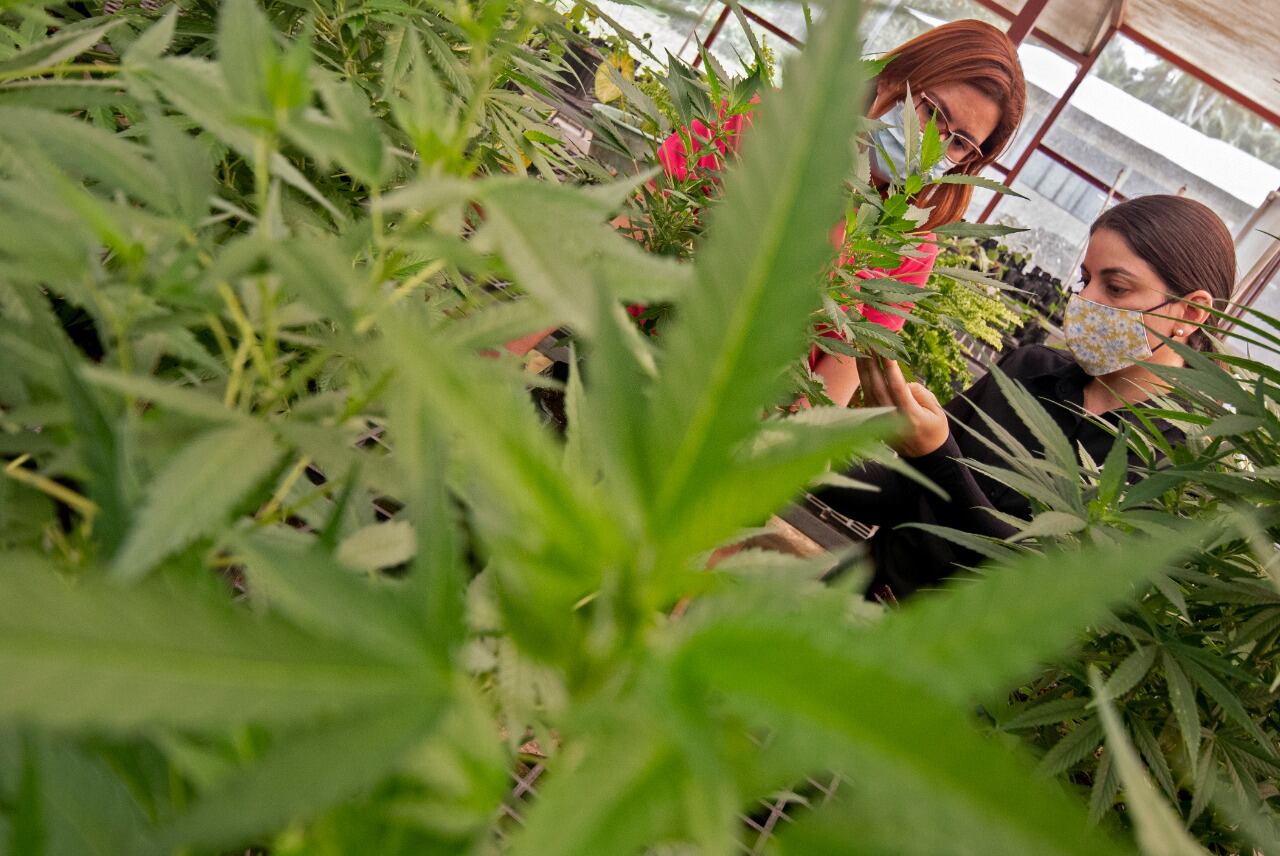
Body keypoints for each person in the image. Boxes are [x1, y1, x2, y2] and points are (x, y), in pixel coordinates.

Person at [507, 19, 1027, 400]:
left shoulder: (908, 246)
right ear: (892, 80)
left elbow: (831, 381)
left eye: (959, 142)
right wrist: (501, 347)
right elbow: (628, 230)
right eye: (932, 112)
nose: (931, 143)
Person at [816, 194, 1236, 602]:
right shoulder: (1029, 371)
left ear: (1191, 312)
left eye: (1117, 288)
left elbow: (1035, 582)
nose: (1086, 301)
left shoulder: (1180, 464)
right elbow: (902, 495)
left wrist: (936, 457)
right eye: (1086, 280)